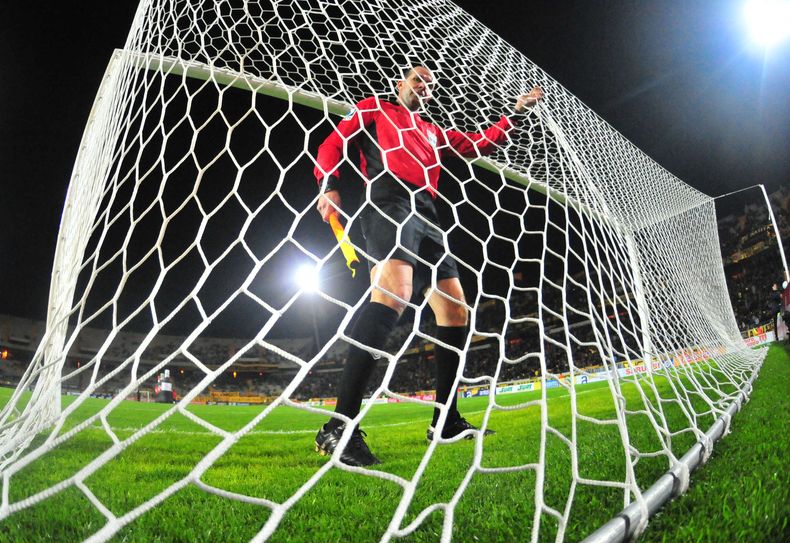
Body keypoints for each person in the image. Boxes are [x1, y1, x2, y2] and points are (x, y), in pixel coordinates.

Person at [312, 65, 544, 466]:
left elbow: (479, 143)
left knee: (455, 311)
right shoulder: (374, 110)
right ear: (400, 83)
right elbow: (332, 143)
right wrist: (327, 184)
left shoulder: (434, 132)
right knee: (393, 295)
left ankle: (446, 421)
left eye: (430, 83)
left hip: (428, 212)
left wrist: (516, 113)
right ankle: (337, 426)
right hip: (388, 201)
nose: (424, 86)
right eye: (417, 79)